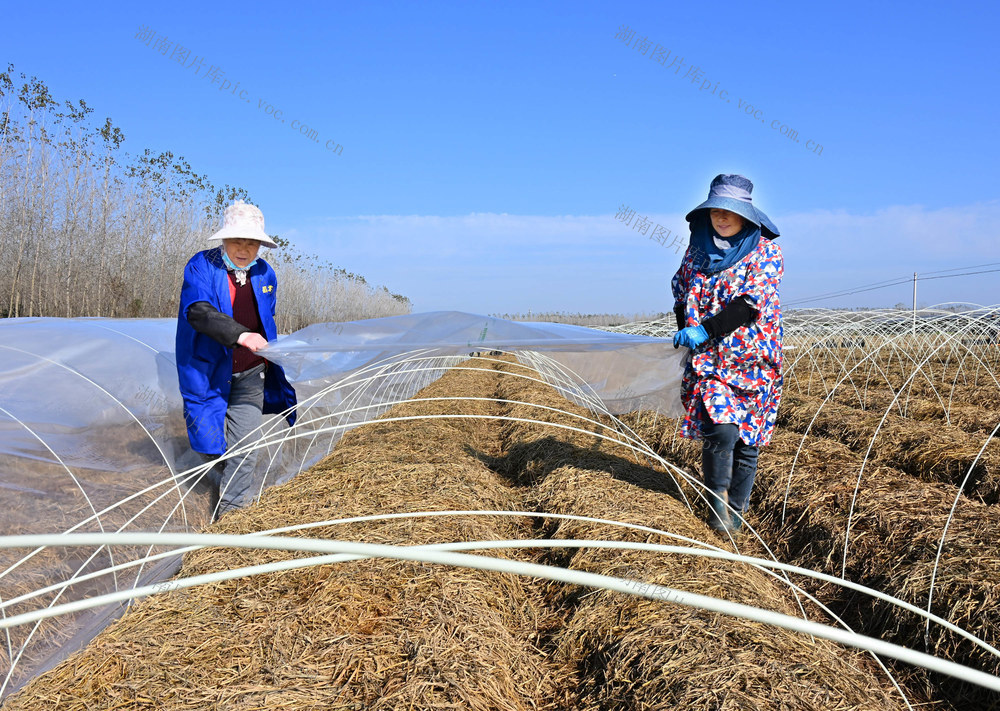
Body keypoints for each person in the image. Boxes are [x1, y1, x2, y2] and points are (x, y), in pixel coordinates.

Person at [670, 174, 783, 533]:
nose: (721, 217)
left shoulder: (765, 252)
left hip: (753, 359)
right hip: (709, 362)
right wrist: (686, 329)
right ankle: (717, 497)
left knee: (748, 440)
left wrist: (705, 329)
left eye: (728, 212)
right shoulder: (698, 252)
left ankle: (737, 509)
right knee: (721, 429)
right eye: (716, 210)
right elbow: (680, 292)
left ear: (746, 217)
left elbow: (751, 304)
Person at [175, 199, 297, 520]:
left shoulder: (265, 272)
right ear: (224, 240)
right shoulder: (202, 266)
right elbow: (198, 312)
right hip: (209, 373)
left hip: (250, 373)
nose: (244, 249)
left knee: (245, 450)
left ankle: (230, 519)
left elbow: (266, 320)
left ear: (260, 245)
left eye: (252, 242)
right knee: (209, 446)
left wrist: (270, 349)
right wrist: (242, 335)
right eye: (237, 241)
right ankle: (216, 473)